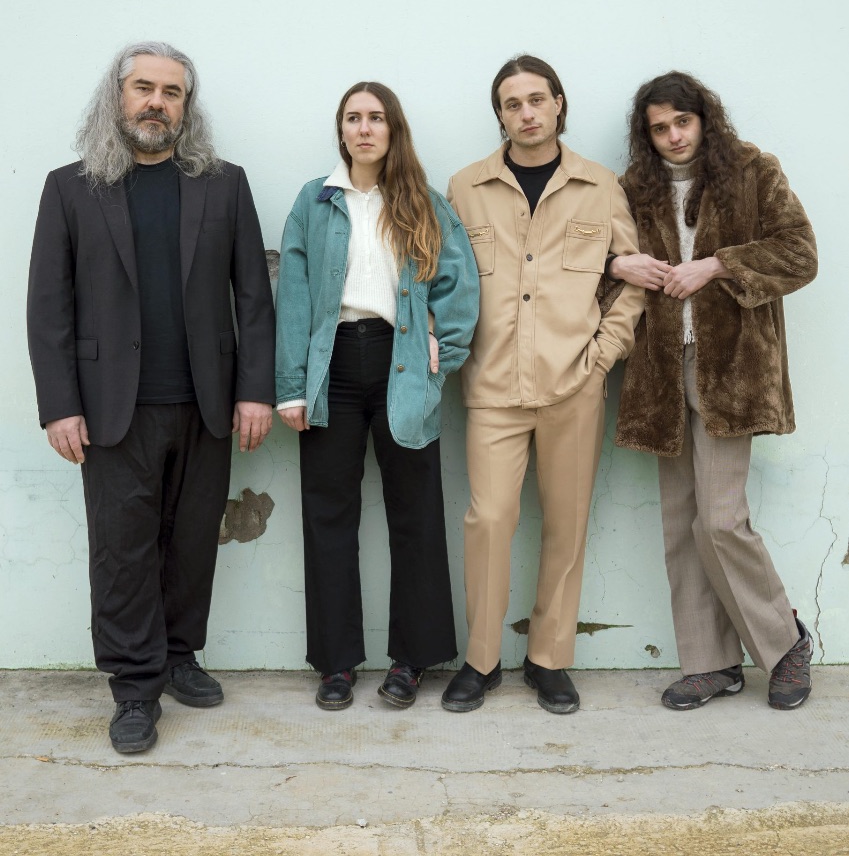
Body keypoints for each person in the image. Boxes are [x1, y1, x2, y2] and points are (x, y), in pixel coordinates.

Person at [27, 41, 275, 754]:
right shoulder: (71, 189)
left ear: (186, 107)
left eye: (171, 92)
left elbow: (253, 299)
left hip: (206, 400)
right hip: (111, 407)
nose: (156, 103)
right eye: (143, 87)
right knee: (123, 549)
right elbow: (49, 305)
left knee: (192, 540)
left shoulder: (224, 186)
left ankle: (178, 655)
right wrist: (60, 404)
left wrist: (255, 391)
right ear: (118, 96)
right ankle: (134, 687)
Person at [441, 55, 644, 714]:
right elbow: (443, 278)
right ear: (499, 115)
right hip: (492, 387)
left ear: (558, 104)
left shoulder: (600, 186)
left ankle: (549, 659)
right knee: (488, 520)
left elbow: (632, 279)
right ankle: (480, 660)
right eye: (511, 104)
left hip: (573, 384)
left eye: (536, 99)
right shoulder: (466, 187)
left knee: (566, 524)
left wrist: (602, 356)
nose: (525, 113)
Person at [610, 71, 817, 710]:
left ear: (704, 119)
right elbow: (597, 269)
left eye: (683, 122)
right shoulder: (633, 189)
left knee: (721, 520)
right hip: (660, 373)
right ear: (647, 136)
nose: (674, 136)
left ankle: (784, 644)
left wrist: (717, 264)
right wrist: (619, 265)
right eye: (660, 128)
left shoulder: (753, 169)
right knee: (681, 524)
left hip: (732, 371)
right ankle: (710, 664)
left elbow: (799, 254)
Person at [276, 81, 479, 710]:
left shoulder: (424, 201)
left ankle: (412, 659)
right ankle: (335, 663)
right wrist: (290, 387)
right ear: (341, 130)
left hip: (403, 362)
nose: (365, 128)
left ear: (394, 129)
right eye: (353, 118)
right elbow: (293, 296)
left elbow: (459, 281)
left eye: (377, 118)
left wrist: (443, 355)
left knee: (416, 513)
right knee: (328, 515)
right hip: (330, 366)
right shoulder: (315, 200)